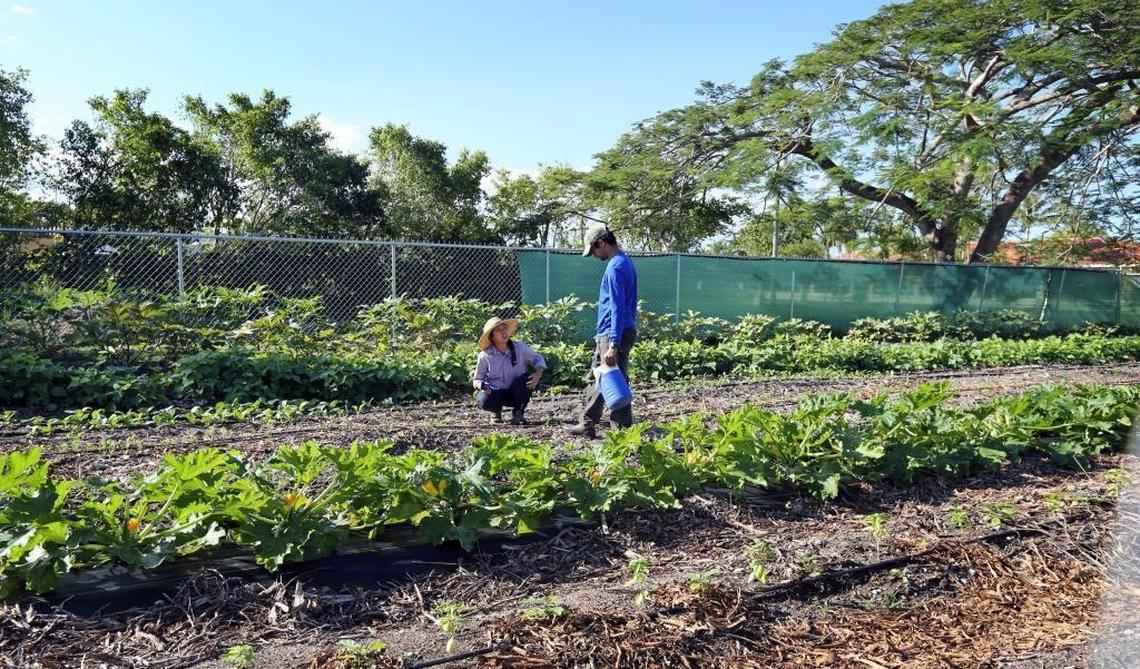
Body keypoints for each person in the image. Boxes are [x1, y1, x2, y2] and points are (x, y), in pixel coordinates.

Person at [566, 223, 638, 438]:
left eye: (594, 250)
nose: (595, 255)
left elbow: (616, 306)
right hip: (616, 330)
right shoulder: (624, 262)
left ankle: (622, 434)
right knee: (601, 376)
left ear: (601, 243)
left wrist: (613, 344)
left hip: (613, 332)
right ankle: (588, 423)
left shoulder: (616, 266)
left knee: (614, 380)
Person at [472, 316, 546, 425]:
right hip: (495, 393)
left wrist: (537, 374)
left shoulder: (520, 349)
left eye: (504, 329)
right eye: (498, 330)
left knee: (526, 379)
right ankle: (495, 412)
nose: (503, 332)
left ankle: (518, 413)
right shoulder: (485, 356)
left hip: (515, 392)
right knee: (484, 400)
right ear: (491, 337)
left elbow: (538, 359)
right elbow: (477, 379)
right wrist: (482, 387)